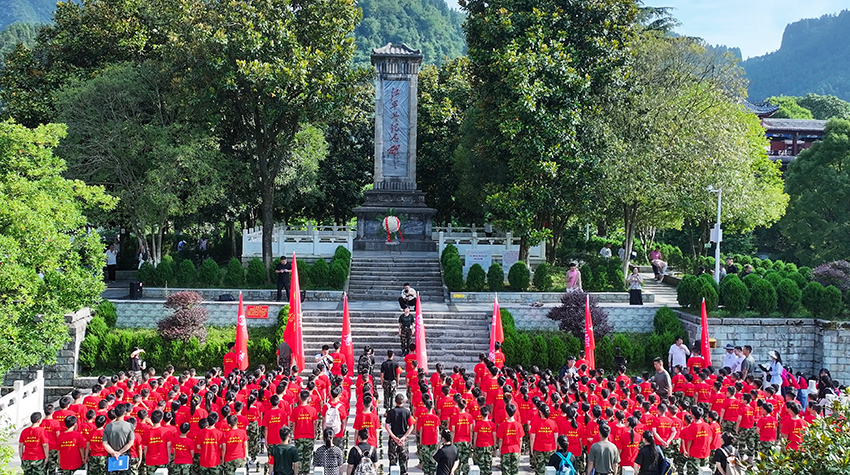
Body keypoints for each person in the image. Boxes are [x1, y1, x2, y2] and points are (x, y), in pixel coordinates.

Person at [385, 394, 414, 475]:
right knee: (404, 461)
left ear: (395, 401)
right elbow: (411, 426)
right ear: (403, 401)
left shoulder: (391, 412)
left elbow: (387, 426)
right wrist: (404, 437)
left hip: (393, 439)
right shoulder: (407, 412)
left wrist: (393, 437)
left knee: (392, 460)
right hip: (403, 440)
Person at [103, 405, 135, 474]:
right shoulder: (129, 426)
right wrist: (119, 452)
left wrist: (113, 453)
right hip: (124, 456)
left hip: (112, 457)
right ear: (124, 413)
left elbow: (105, 443)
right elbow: (130, 442)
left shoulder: (108, 426)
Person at [495, 404, 524, 475]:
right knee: (515, 471)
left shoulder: (502, 425)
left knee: (506, 471)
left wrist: (500, 450)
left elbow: (500, 440)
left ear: (506, 412)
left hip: (506, 449)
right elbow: (520, 439)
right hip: (516, 449)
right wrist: (519, 450)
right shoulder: (518, 425)